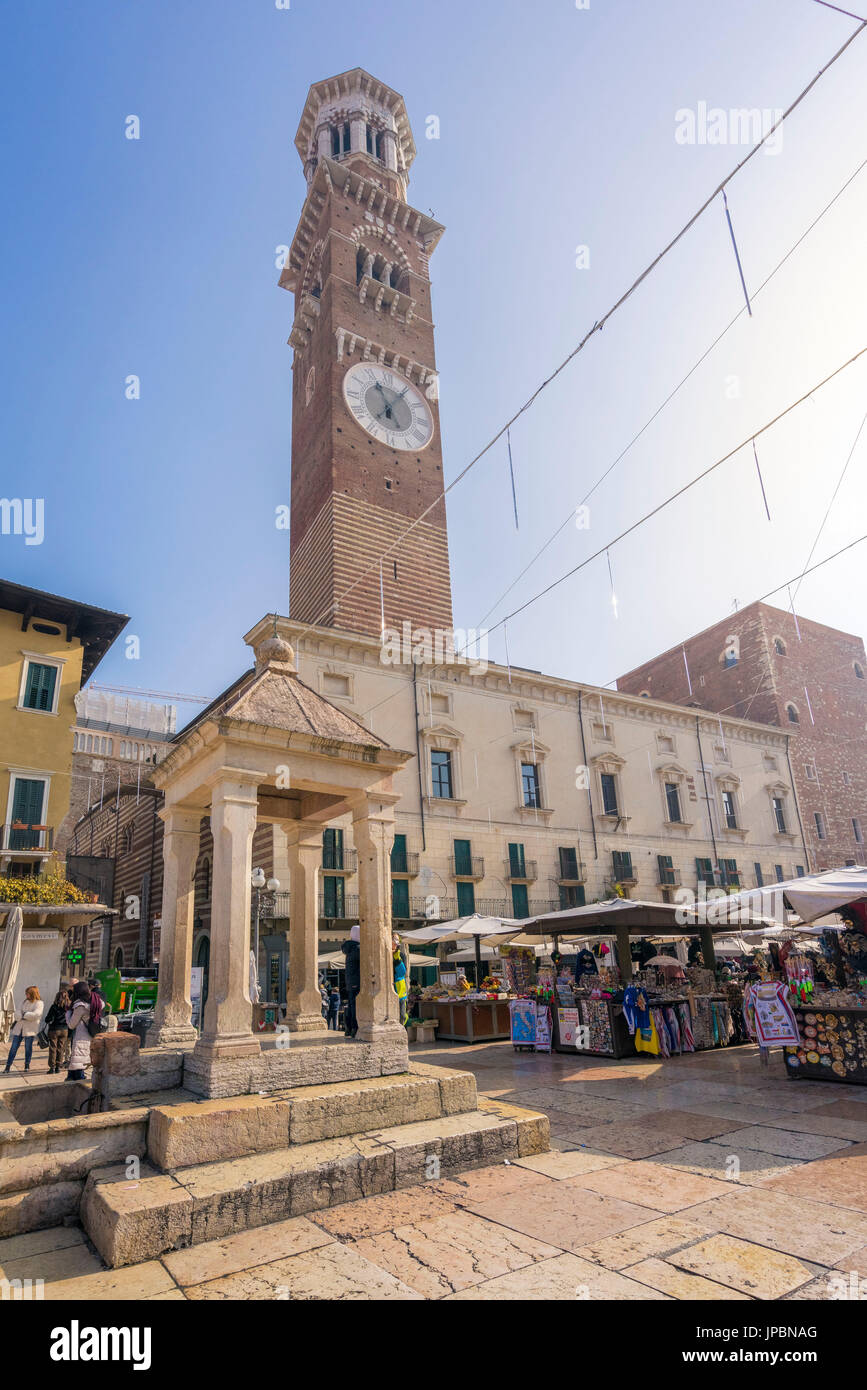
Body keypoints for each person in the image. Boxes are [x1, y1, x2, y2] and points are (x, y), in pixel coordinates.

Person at [4, 986, 44, 1073]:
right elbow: (17, 1012)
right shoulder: (23, 1001)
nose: (26, 995)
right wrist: (24, 1015)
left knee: (28, 1048)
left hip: (30, 1030)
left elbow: (36, 1014)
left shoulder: (39, 1003)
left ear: (32, 994)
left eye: (27, 993)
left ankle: (27, 1065)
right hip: (19, 1028)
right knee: (13, 1048)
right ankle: (8, 1066)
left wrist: (24, 1014)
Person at [65, 981, 92, 1082]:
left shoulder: (80, 1006)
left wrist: (68, 1013)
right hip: (89, 1035)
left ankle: (80, 1086)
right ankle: (71, 1079)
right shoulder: (91, 1002)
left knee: (78, 1065)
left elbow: (71, 1025)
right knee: (77, 1064)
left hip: (81, 1037)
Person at [44, 988, 72, 1074]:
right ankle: (58, 1067)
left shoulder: (54, 1007)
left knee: (53, 1048)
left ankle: (52, 1067)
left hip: (54, 1029)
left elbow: (48, 1019)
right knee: (61, 1048)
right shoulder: (69, 1007)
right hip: (64, 1030)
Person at [341, 924, 361, 1038]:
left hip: (350, 982)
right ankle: (354, 1028)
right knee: (355, 1006)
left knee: (351, 1004)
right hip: (356, 981)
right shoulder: (357, 948)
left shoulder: (349, 948)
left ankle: (348, 1028)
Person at [392, 934, 408, 1026]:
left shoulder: (401, 955)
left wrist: (397, 959)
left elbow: (402, 972)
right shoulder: (385, 955)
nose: (395, 943)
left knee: (402, 1015)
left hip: (400, 991)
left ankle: (402, 1029)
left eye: (397, 941)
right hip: (389, 989)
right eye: (393, 940)